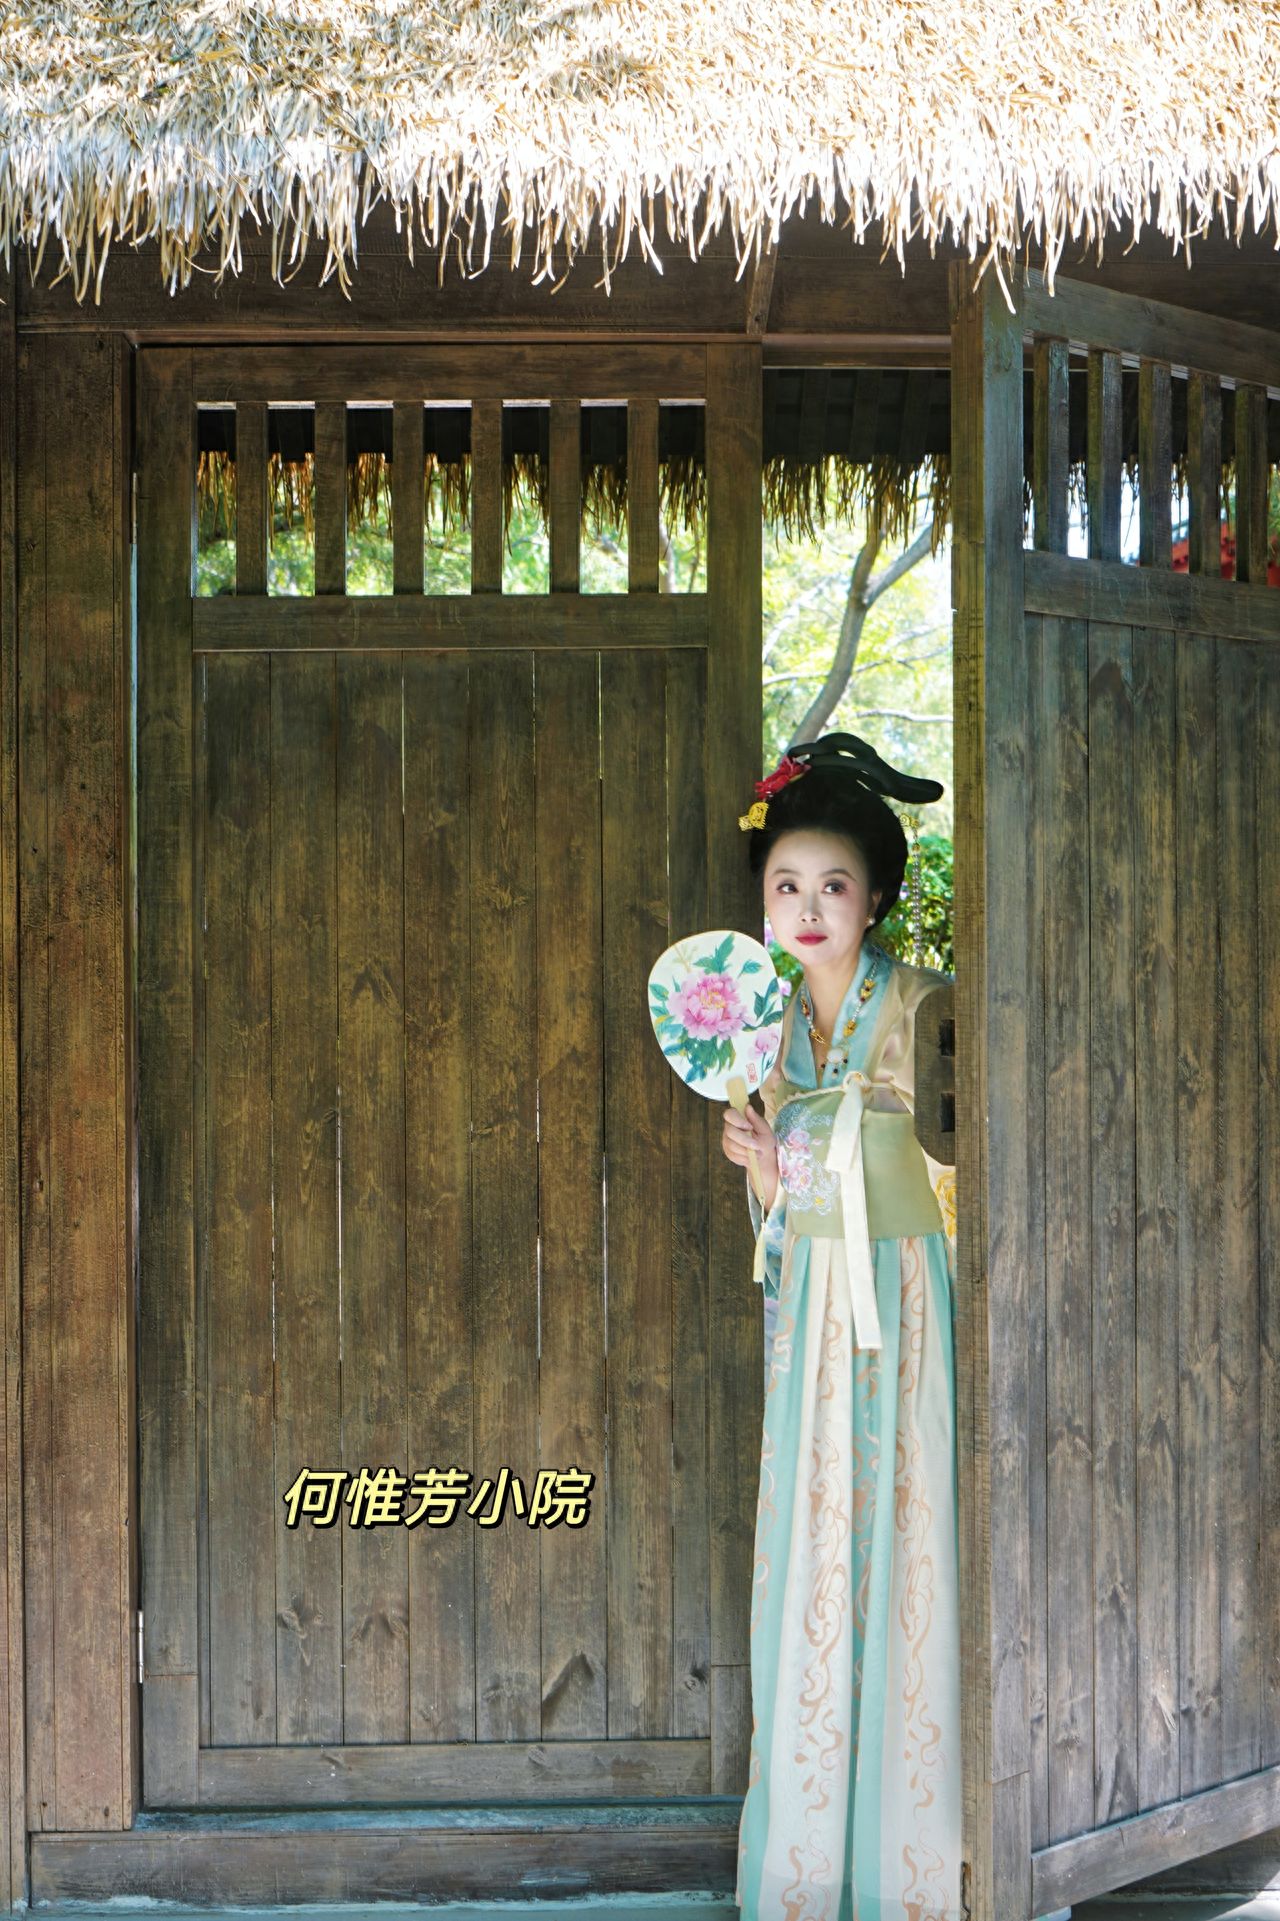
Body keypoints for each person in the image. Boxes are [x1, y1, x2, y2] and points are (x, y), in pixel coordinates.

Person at [722, 731, 962, 1921]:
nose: (807, 908)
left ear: (874, 899)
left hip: (909, 1304)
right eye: (785, 886)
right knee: (813, 1565)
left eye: (832, 886)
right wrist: (764, 1170)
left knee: (913, 1553)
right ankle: (811, 1870)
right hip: (811, 1318)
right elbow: (780, 1230)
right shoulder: (757, 1036)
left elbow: (973, 1175)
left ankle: (924, 1869)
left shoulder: (927, 1006)